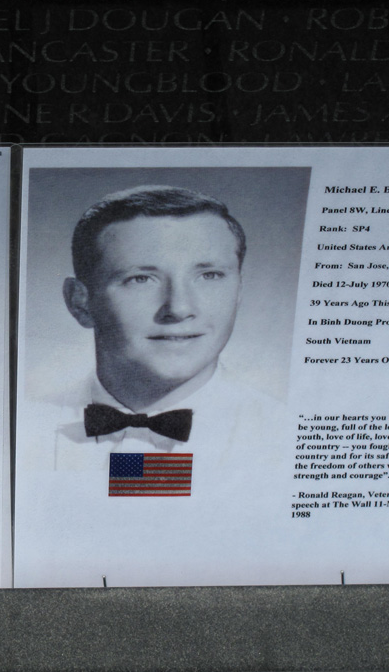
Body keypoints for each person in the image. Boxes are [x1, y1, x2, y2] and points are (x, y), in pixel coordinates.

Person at [31, 185, 285, 472]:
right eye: (140, 279)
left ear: (238, 291)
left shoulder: (285, 433)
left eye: (209, 275)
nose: (178, 308)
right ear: (80, 302)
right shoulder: (26, 426)